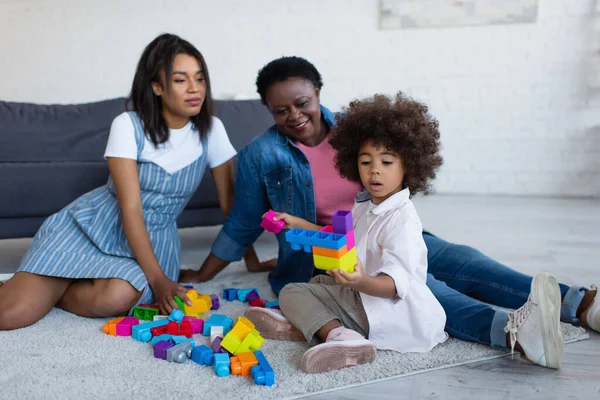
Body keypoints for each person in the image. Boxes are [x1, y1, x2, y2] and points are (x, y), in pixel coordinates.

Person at [179, 56, 600, 369]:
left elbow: (394, 206)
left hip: (384, 230)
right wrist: (203, 272)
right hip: (336, 256)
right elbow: (241, 223)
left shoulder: (359, 132)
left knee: (464, 260)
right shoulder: (261, 154)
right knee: (424, 288)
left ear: (318, 93)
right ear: (267, 111)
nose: (295, 116)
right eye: (280, 110)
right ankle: (513, 331)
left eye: (302, 103)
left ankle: (578, 303)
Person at [0, 33, 257, 330]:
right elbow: (130, 209)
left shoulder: (211, 129)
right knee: (11, 316)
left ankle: (56, 285)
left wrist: (249, 261)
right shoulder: (128, 125)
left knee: (118, 297)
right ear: (157, 86)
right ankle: (51, 274)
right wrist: (159, 280)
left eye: (199, 79)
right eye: (180, 80)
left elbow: (231, 205)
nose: (194, 88)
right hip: (95, 226)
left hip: (155, 241)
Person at [258, 92, 448, 373]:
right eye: (365, 161)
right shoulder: (366, 204)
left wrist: (359, 281)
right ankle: (312, 323)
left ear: (409, 165)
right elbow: (339, 240)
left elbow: (395, 285)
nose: (374, 172)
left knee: (291, 291)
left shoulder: (403, 221)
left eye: (386, 162)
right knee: (320, 280)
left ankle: (342, 337)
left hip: (383, 308)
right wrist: (298, 224)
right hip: (362, 294)